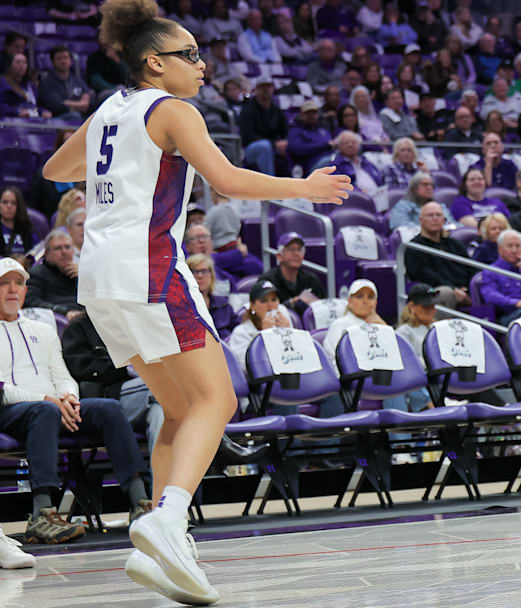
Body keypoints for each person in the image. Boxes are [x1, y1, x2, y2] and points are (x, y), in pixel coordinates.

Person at [42, 1, 351, 598]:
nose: (201, 64)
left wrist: (117, 158)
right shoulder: (173, 110)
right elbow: (229, 180)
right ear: (154, 64)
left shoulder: (112, 107)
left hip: (100, 278)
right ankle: (168, 517)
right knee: (220, 399)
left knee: (181, 411)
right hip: (150, 267)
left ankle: (163, 545)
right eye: (190, 54)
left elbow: (59, 169)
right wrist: (305, 189)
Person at [0, 257, 152, 544]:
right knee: (43, 411)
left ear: (24, 291)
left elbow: (63, 375)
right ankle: (42, 515)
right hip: (9, 411)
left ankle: (141, 503)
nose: (12, 289)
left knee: (109, 409)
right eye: (4, 283)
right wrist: (49, 400)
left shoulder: (43, 330)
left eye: (18, 283)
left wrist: (69, 398)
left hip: (52, 409)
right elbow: (2, 388)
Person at [403, 202, 474, 308]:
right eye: (430, 215)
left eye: (438, 215)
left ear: (444, 219)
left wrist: (469, 288)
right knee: (445, 293)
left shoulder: (454, 243)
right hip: (431, 290)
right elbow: (423, 276)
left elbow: (471, 267)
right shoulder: (415, 247)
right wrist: (453, 288)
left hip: (463, 289)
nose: (435, 218)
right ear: (421, 220)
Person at [478, 229, 521, 325]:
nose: (514, 250)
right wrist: (516, 302)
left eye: (518, 246)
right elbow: (490, 296)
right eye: (510, 246)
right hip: (509, 316)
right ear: (500, 249)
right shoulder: (491, 271)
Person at [257, 232, 328, 316]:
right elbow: (262, 312)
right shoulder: (267, 281)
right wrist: (291, 303)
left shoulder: (311, 279)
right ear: (279, 256)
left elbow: (324, 306)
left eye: (299, 250)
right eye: (291, 249)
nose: (296, 254)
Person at [323, 278, 387, 368]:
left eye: (370, 297)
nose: (365, 301)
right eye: (360, 296)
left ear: (375, 303)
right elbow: (336, 361)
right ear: (350, 301)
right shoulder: (340, 325)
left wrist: (384, 327)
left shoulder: (381, 326)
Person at [238, 78, 289, 176]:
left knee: (291, 145)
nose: (265, 90)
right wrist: (274, 144)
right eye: (262, 87)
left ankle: (293, 182)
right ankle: (270, 185)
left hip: (274, 144)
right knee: (264, 146)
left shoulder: (276, 110)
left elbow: (284, 131)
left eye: (268, 87)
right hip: (250, 149)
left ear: (273, 89)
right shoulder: (248, 110)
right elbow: (247, 135)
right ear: (256, 90)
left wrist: (284, 142)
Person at [26, 230, 82, 319]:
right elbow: (30, 302)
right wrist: (64, 312)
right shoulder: (37, 273)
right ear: (47, 254)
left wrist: (83, 278)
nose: (64, 252)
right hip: (55, 320)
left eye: (67, 247)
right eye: (58, 248)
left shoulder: (80, 272)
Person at [186, 254, 238, 339]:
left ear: (211, 275)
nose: (200, 276)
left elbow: (238, 331)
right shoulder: (181, 307)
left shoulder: (224, 305)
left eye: (204, 271)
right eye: (194, 271)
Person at [39, 45, 92, 121]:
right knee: (75, 116)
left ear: (70, 61)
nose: (63, 61)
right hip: (56, 120)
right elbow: (57, 106)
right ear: (53, 62)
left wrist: (66, 102)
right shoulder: (47, 83)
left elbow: (86, 105)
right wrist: (78, 105)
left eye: (66, 58)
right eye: (59, 59)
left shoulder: (78, 81)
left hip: (80, 117)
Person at [0, 186, 38, 256]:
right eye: (5, 202)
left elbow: (38, 254)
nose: (9, 206)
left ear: (19, 206)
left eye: (14, 203)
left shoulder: (28, 229)